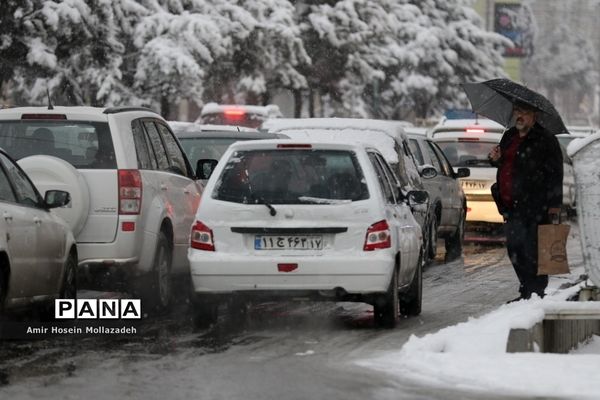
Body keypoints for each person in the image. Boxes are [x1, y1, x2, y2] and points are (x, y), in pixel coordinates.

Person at [488, 101, 563, 302]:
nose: (519, 116)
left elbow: (556, 173)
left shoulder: (545, 139)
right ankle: (526, 289)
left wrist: (555, 204)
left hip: (535, 205)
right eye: (517, 112)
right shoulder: (509, 136)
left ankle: (535, 292)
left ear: (534, 116)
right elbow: (502, 163)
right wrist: (494, 158)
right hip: (510, 205)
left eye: (524, 112)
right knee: (515, 249)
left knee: (534, 251)